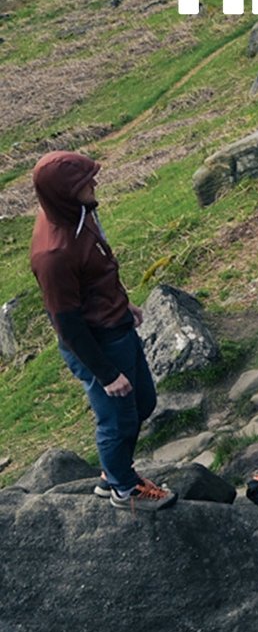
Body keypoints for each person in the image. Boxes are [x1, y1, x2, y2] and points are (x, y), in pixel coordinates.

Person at [30, 150, 176, 510]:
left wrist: (123, 303)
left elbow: (97, 270)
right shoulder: (54, 255)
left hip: (118, 327)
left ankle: (113, 472)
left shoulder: (79, 212)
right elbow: (67, 324)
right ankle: (123, 489)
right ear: (64, 192)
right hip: (99, 344)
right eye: (85, 181)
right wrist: (107, 374)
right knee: (116, 421)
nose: (94, 183)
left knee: (143, 403)